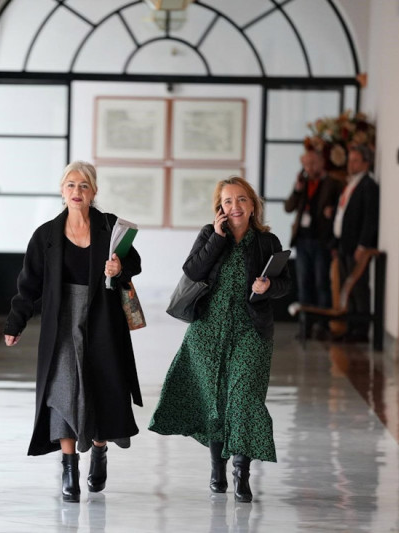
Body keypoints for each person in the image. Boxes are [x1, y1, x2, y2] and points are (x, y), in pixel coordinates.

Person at [4, 161, 143, 503]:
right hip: (62, 322)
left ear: (93, 192)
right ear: (62, 191)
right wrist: (15, 322)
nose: (76, 192)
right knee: (63, 390)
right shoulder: (47, 235)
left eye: (83, 186)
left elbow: (135, 262)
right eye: (70, 185)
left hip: (103, 320)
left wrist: (120, 266)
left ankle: (98, 449)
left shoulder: (110, 226)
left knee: (101, 389)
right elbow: (29, 284)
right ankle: (69, 469)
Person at [149, 176, 290, 503]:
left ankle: (241, 472)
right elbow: (193, 271)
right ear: (220, 208)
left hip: (251, 331)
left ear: (252, 204)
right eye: (228, 201)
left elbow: (287, 284)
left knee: (243, 400)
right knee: (215, 402)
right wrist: (216, 237)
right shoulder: (210, 234)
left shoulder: (266, 242)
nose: (235, 207)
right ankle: (217, 467)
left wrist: (269, 288)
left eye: (241, 200)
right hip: (208, 331)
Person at [284, 149, 343, 339]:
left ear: (321, 163)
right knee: (304, 284)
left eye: (312, 164)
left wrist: (332, 211)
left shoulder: (333, 183)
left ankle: (322, 326)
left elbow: (341, 211)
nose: (309, 168)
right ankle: (305, 326)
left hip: (322, 241)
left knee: (321, 283)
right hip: (302, 241)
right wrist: (297, 189)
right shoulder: (303, 184)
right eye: (306, 164)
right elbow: (288, 207)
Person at [330, 144, 379, 343]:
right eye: (350, 160)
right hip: (344, 244)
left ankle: (361, 329)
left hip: (356, 247)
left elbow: (370, 217)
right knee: (345, 287)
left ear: (366, 163)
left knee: (358, 287)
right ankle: (349, 326)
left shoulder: (368, 185)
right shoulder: (350, 184)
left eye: (356, 160)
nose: (351, 164)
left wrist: (362, 245)